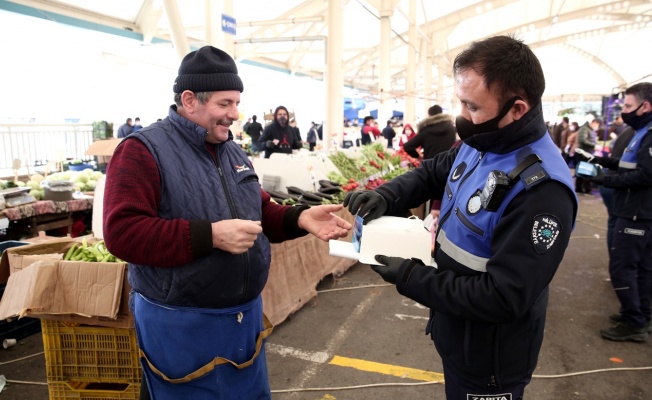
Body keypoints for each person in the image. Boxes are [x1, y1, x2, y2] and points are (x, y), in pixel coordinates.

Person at [102, 45, 352, 400]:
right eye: (225, 104)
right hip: (180, 322)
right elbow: (122, 233)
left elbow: (259, 211)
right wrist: (211, 236)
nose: (235, 114)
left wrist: (300, 217)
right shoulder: (142, 150)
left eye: (237, 102)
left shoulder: (231, 150)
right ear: (190, 100)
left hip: (242, 318)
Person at [343, 35, 577, 399]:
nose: (463, 118)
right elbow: (434, 172)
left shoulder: (542, 191)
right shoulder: (484, 140)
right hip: (457, 333)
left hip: (489, 358)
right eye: (461, 104)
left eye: (473, 107)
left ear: (517, 109)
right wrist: (387, 194)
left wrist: (411, 276)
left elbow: (504, 297)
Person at [576, 82, 652, 342]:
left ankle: (634, 322)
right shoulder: (641, 132)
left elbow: (645, 174)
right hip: (636, 211)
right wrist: (599, 160)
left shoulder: (649, 133)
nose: (624, 111)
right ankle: (641, 314)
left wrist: (603, 179)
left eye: (629, 106)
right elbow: (629, 164)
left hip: (637, 214)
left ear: (646, 106)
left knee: (623, 267)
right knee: (642, 268)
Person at [575, 116, 601, 193]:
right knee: (585, 170)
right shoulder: (584, 129)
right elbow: (583, 140)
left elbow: (592, 140)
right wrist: (594, 146)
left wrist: (596, 145)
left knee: (583, 171)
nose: (597, 127)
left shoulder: (590, 130)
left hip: (587, 153)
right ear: (593, 123)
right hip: (583, 153)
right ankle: (585, 188)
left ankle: (580, 188)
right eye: (597, 125)